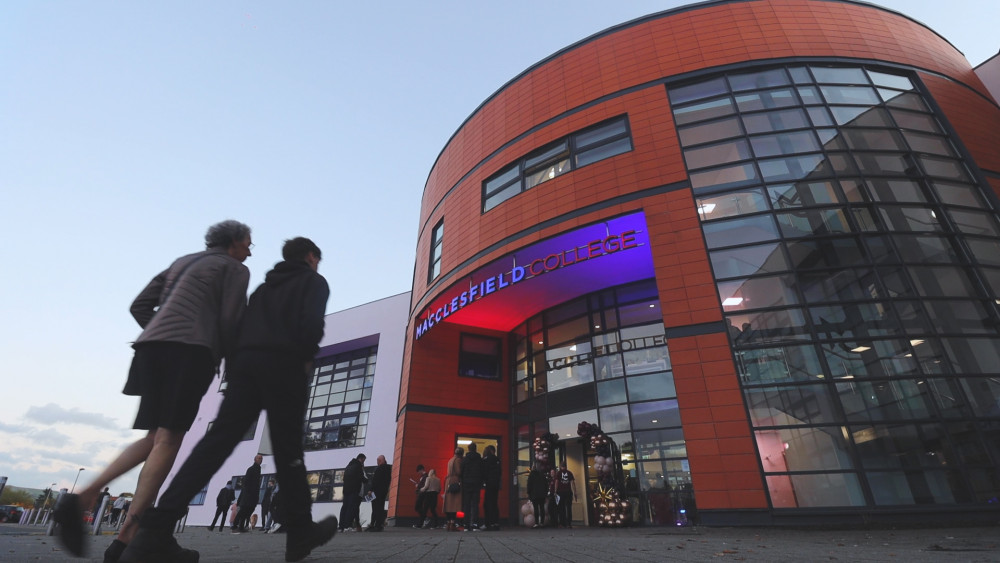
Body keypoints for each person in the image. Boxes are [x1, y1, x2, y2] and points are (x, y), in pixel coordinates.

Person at [118, 236, 337, 563]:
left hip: (246, 368)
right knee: (289, 451)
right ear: (310, 256)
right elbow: (311, 325)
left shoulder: (264, 288)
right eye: (317, 259)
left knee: (213, 447)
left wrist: (233, 372)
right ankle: (300, 533)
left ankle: (154, 530)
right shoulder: (314, 281)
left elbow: (238, 327)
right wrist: (304, 364)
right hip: (285, 367)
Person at [54, 220, 252, 562]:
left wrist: (163, 331)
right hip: (189, 353)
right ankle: (114, 522)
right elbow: (231, 321)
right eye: (248, 243)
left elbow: (140, 305)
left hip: (151, 349)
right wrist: (233, 370)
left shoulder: (182, 262)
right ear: (234, 242)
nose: (250, 251)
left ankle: (119, 532)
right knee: (169, 439)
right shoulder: (233, 268)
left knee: (154, 437)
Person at [233, 455, 263, 533]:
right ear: (255, 459)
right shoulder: (251, 469)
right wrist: (248, 493)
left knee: (249, 510)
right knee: (243, 510)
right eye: (259, 458)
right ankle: (235, 526)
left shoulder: (258, 470)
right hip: (248, 495)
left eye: (261, 459)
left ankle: (241, 527)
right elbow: (246, 482)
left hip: (254, 495)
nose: (260, 460)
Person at [339, 454, 367, 533]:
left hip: (346, 490)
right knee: (351, 508)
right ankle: (347, 526)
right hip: (354, 490)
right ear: (360, 459)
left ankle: (341, 526)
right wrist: (367, 481)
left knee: (344, 507)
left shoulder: (348, 466)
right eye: (363, 460)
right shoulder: (358, 466)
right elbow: (361, 477)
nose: (363, 462)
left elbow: (344, 478)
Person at [460, 443, 483, 532]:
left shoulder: (465, 460)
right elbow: (482, 472)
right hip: (476, 484)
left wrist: (463, 481)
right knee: (475, 504)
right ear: (476, 449)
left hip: (466, 484)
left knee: (466, 505)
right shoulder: (479, 460)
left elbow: (461, 472)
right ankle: (475, 524)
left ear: (468, 449)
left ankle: (466, 525)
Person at [367, 455, 391, 531]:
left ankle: (375, 525)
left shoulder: (379, 469)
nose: (377, 462)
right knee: (380, 508)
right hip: (383, 492)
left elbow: (375, 480)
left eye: (378, 460)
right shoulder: (388, 469)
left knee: (375, 508)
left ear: (380, 460)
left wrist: (371, 490)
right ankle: (378, 525)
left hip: (376, 492)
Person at [443, 448, 463, 532]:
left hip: (448, 481)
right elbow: (459, 471)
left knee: (448, 504)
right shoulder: (458, 460)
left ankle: (448, 523)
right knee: (454, 504)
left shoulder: (450, 460)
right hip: (455, 481)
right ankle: (452, 524)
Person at [481, 445, 501, 531]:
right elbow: (500, 472)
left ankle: (488, 523)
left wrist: (483, 481)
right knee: (494, 503)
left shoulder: (486, 460)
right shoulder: (497, 460)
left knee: (487, 504)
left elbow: (484, 472)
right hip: (496, 484)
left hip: (489, 484)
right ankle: (495, 522)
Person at [555, 462, 577, 528]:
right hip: (568, 492)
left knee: (562, 508)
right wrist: (574, 492)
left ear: (560, 466)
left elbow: (556, 482)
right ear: (565, 466)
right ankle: (569, 523)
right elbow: (572, 483)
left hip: (561, 492)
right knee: (569, 507)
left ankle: (563, 523)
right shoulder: (569, 473)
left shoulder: (558, 473)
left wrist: (555, 491)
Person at [526, 464, 548, 528]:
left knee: (536, 508)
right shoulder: (542, 475)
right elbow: (546, 484)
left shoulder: (531, 475)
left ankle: (536, 523)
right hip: (542, 495)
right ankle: (542, 523)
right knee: (542, 508)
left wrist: (529, 493)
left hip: (534, 494)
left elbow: (529, 485)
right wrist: (545, 493)